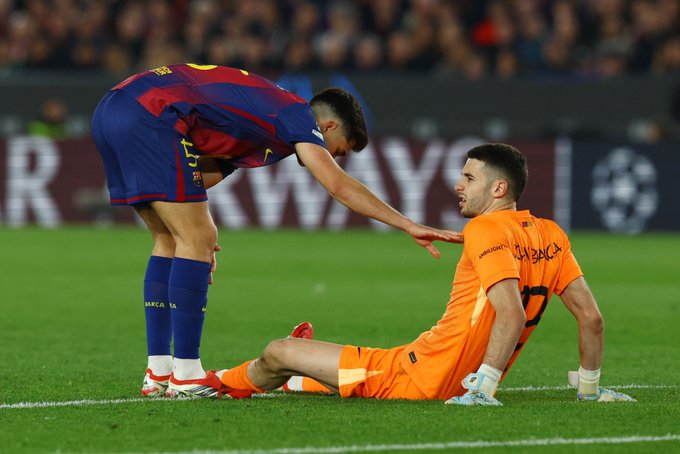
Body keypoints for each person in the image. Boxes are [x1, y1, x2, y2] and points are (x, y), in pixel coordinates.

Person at [90, 63, 462, 399]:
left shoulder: (262, 127)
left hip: (115, 108)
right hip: (152, 112)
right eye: (340, 150)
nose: (334, 157)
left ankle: (159, 370)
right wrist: (407, 224)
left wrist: (197, 244)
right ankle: (187, 374)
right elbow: (338, 185)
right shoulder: (295, 114)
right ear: (328, 127)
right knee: (194, 237)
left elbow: (194, 178)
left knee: (170, 239)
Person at [213, 143, 636, 404]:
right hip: (445, 375)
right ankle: (303, 374)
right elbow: (591, 318)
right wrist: (590, 389)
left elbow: (511, 313)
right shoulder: (551, 233)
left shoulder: (485, 229)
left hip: (421, 375)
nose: (458, 185)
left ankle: (212, 382)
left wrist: (483, 389)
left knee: (279, 352)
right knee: (335, 372)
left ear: (498, 189)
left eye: (469, 177)